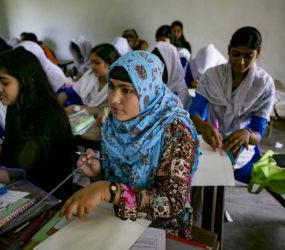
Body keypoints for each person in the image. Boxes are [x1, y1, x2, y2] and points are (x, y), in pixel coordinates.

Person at [59, 51, 199, 239]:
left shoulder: (177, 132)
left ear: (148, 90)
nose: (114, 99)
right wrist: (99, 173)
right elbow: (116, 180)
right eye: (111, 87)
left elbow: (171, 203)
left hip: (160, 232)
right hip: (117, 222)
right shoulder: (114, 125)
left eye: (126, 90)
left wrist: (109, 190)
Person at [0, 48, 76, 200]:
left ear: (28, 81)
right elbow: (13, 146)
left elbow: (19, 168)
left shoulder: (46, 117)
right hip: (23, 186)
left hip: (47, 195)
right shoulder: (17, 107)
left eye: (5, 82)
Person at [189, 26, 274, 183]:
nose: (241, 62)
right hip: (210, 139)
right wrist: (203, 126)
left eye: (248, 56)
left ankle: (210, 207)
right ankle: (206, 207)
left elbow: (258, 134)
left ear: (258, 53)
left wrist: (247, 134)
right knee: (200, 168)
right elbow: (194, 112)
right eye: (236, 54)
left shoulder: (264, 85)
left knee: (217, 169)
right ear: (228, 50)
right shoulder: (212, 76)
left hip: (242, 148)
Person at [58, 44, 120, 118]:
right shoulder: (90, 75)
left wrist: (76, 109)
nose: (92, 66)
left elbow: (108, 111)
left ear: (109, 64)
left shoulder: (118, 84)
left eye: (96, 63)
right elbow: (71, 92)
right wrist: (57, 102)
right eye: (92, 63)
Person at [152, 41, 192, 110]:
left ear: (170, 67)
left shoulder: (180, 94)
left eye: (159, 68)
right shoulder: (154, 88)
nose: (154, 73)